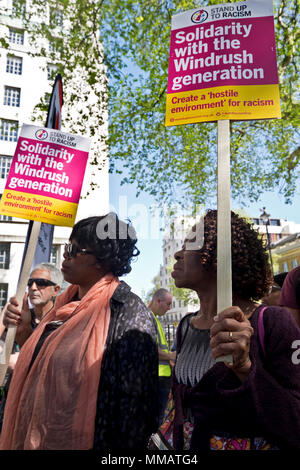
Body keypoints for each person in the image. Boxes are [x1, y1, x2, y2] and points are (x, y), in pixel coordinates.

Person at [0, 213, 158, 450]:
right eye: (67, 247)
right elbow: (46, 366)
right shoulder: (62, 305)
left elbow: (134, 408)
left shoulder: (127, 311)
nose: (65, 255)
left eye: (75, 250)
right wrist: (25, 334)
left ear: (102, 259)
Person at [170, 209, 300, 451]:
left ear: (219, 256)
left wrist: (245, 369)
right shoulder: (186, 326)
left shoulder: (272, 321)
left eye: (192, 243)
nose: (178, 253)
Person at [0, 263, 62, 430]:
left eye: (41, 283)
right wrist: (4, 318)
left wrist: (20, 357)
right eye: (30, 283)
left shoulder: (61, 323)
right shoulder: (20, 318)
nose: (33, 288)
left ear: (56, 290)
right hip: (12, 402)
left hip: (42, 411)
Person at [148, 288, 174, 425]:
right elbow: (151, 349)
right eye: (168, 304)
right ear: (158, 301)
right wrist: (172, 356)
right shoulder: (148, 318)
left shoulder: (154, 319)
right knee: (157, 421)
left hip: (161, 377)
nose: (169, 308)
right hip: (157, 378)